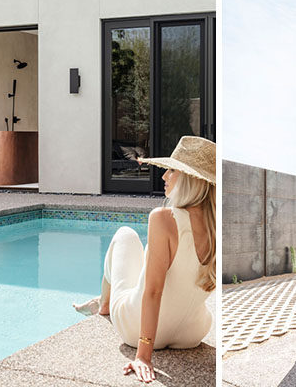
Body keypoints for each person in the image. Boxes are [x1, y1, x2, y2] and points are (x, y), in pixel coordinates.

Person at [73, 135, 215, 383]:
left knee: (125, 235)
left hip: (139, 327)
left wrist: (144, 355)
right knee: (155, 264)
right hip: (192, 333)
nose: (164, 176)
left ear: (190, 180)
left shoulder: (164, 218)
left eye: (171, 170)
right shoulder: (216, 228)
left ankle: (105, 304)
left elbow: (153, 292)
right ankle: (103, 300)